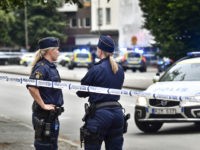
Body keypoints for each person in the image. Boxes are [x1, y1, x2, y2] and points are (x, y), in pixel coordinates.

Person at [77, 35, 127, 150]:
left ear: (100, 50)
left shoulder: (96, 69)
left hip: (100, 116)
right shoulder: (119, 69)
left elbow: (82, 91)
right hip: (118, 114)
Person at [27, 37, 64, 150]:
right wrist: (43, 105)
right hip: (44, 117)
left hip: (52, 116)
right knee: (44, 146)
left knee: (52, 145)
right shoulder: (42, 67)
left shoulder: (51, 67)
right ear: (50, 51)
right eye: (57, 49)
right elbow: (32, 87)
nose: (58, 52)